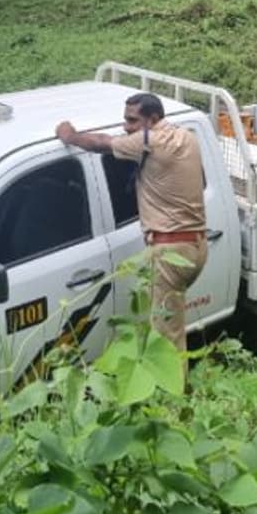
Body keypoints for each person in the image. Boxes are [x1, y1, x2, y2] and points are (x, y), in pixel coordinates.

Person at [55, 93, 207, 363]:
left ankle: (173, 401)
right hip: (196, 246)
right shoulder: (185, 136)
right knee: (174, 326)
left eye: (132, 120)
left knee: (166, 338)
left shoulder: (150, 141)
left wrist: (71, 136)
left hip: (170, 251)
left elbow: (101, 143)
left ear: (153, 119)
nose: (126, 126)